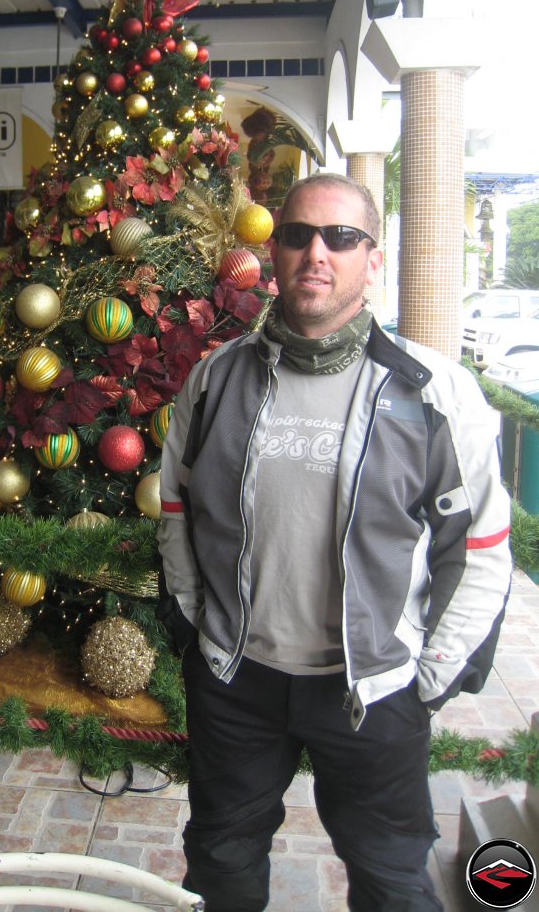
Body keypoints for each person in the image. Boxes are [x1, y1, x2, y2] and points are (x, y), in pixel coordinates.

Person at [158, 173, 512, 912]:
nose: (315, 253)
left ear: (371, 259)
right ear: (274, 251)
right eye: (296, 235)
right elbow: (175, 512)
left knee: (390, 882)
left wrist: (426, 678)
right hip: (237, 682)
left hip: (372, 688)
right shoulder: (214, 380)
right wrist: (197, 634)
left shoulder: (434, 393)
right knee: (220, 863)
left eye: (340, 237)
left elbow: (479, 548)